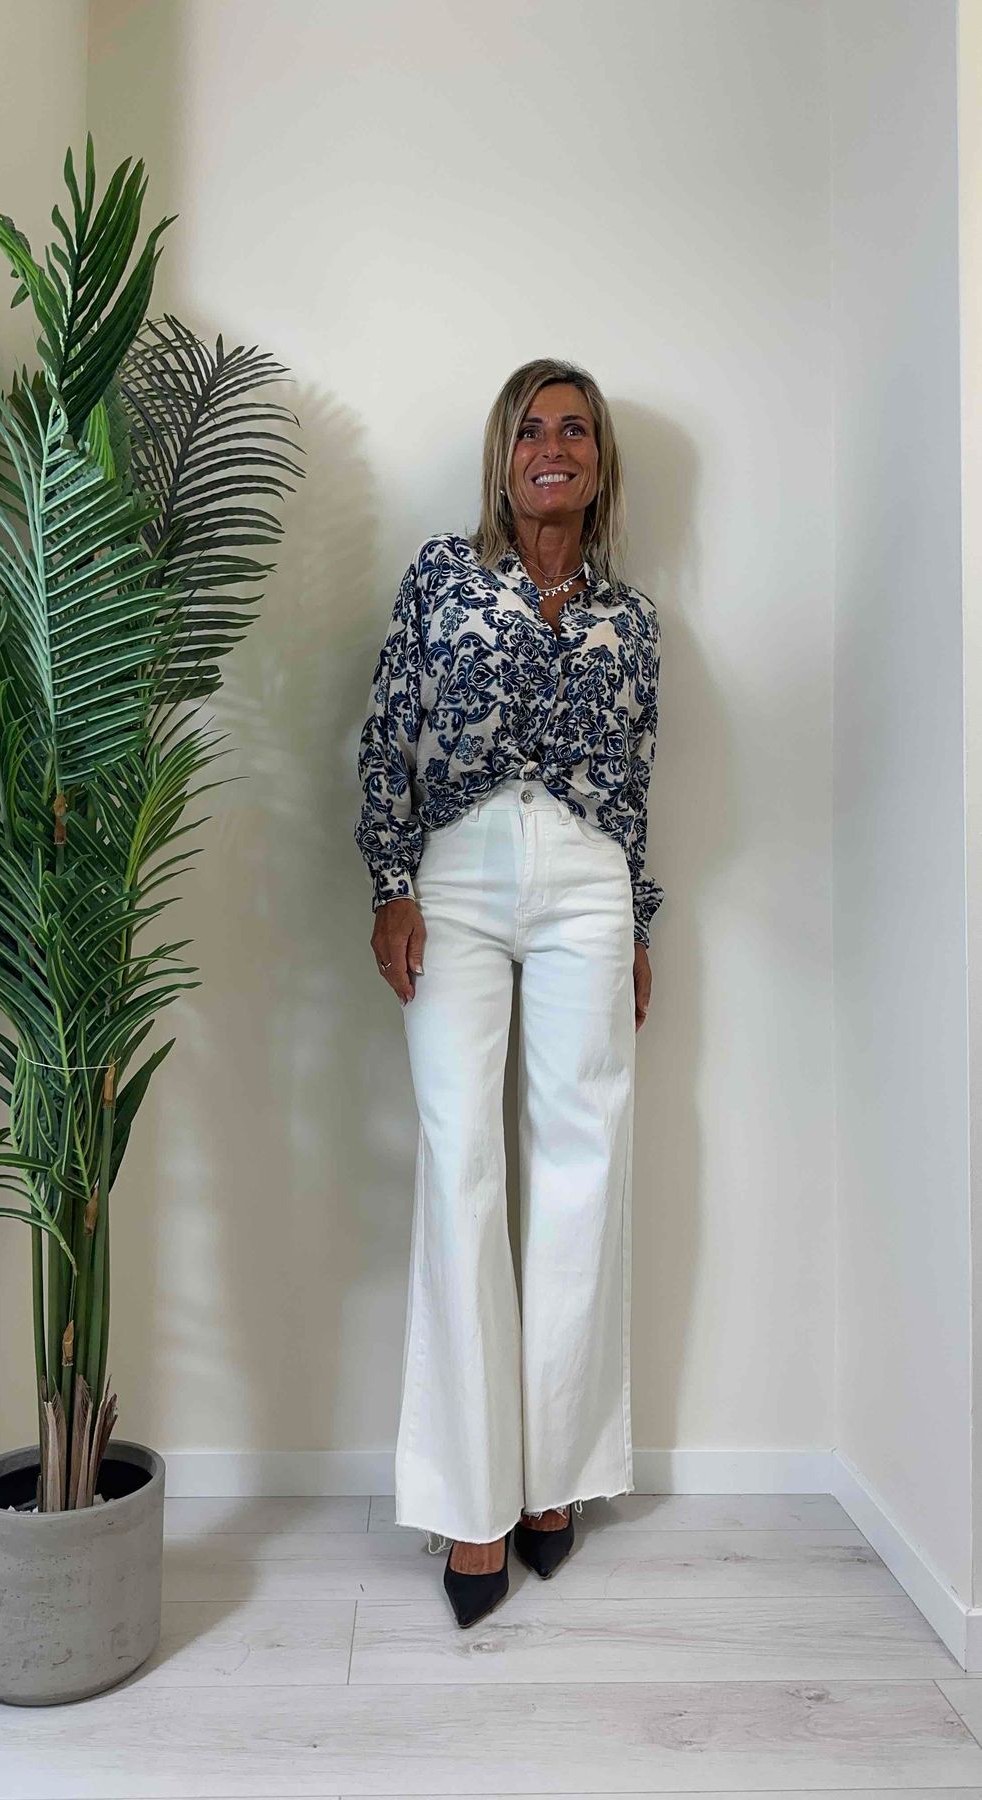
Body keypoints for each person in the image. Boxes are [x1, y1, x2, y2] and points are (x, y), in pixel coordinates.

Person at [353, 357, 664, 1628]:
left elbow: (636, 778)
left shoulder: (631, 620)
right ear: (502, 456)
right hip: (458, 873)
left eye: (573, 430)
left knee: (584, 1159)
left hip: (587, 881)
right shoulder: (442, 575)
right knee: (459, 1160)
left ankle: (554, 1481)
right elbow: (387, 729)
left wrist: (635, 919)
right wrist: (390, 883)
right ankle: (470, 1497)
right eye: (531, 429)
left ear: (597, 462)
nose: (552, 447)